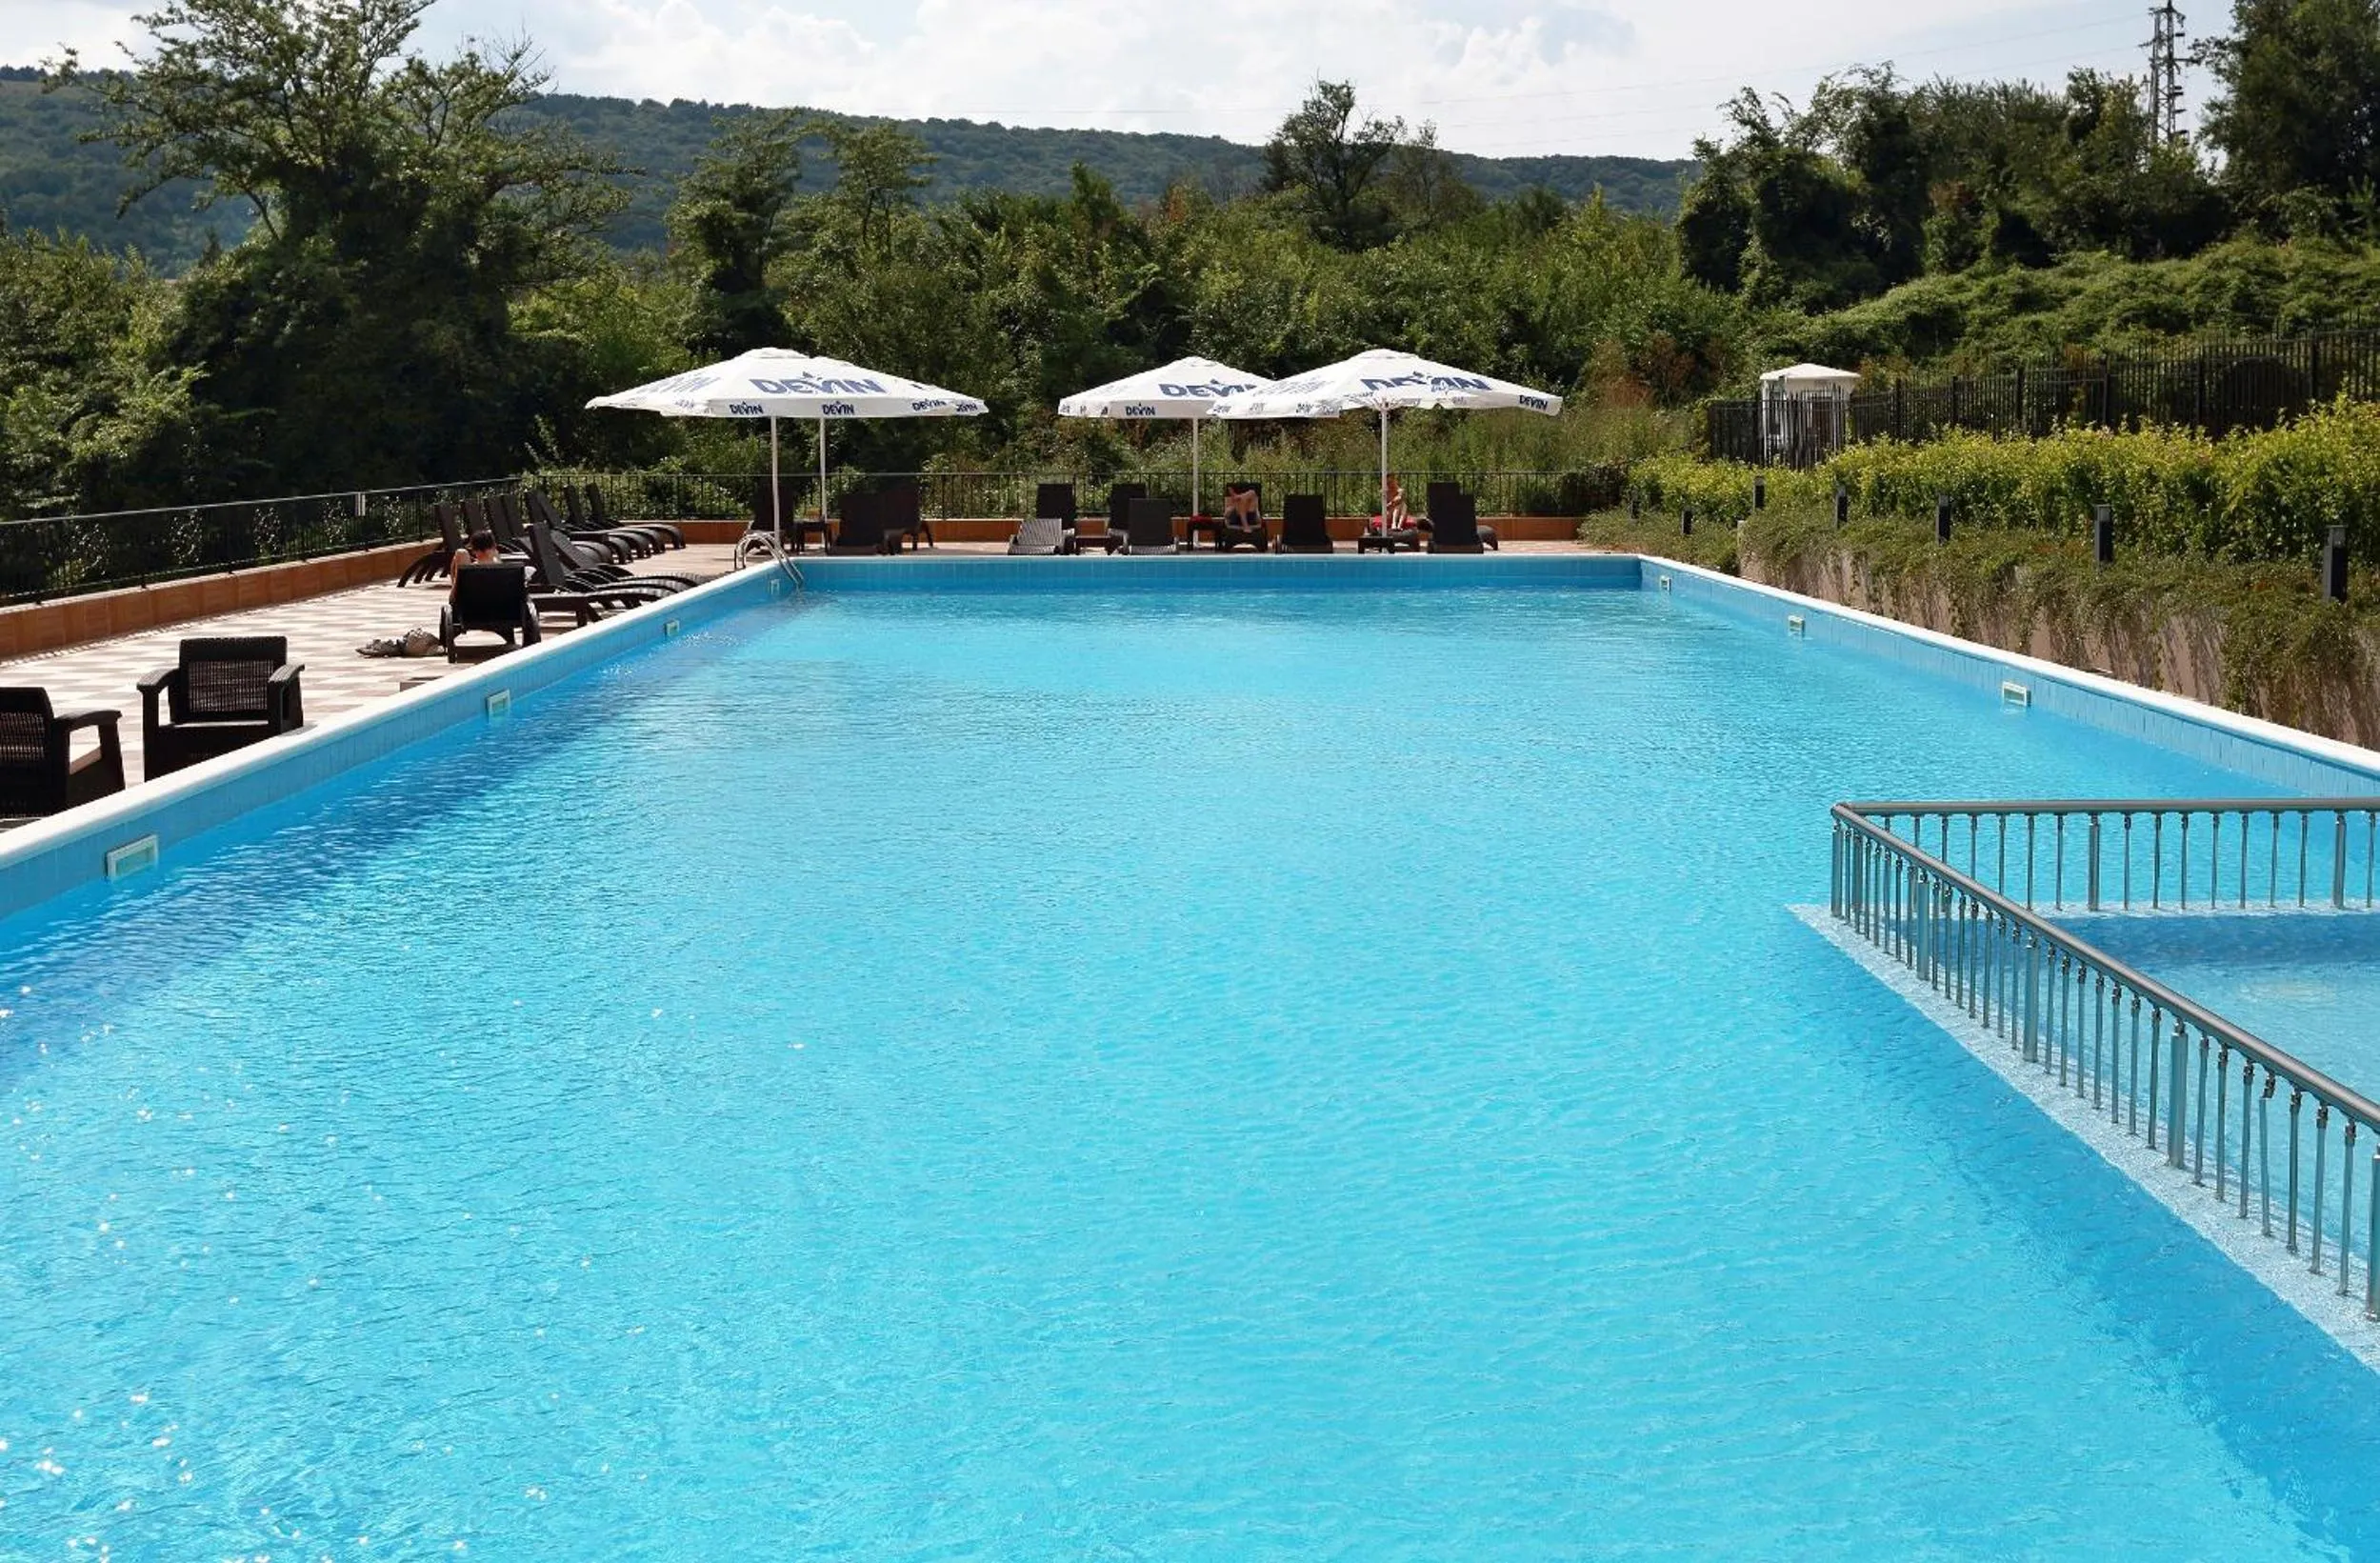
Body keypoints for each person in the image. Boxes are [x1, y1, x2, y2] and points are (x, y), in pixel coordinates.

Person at [450, 529, 500, 598]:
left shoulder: (468, 571)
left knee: (461, 552)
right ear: (494, 547)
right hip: (498, 605)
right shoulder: (501, 568)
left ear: (474, 550)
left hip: (470, 606)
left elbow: (452, 597)